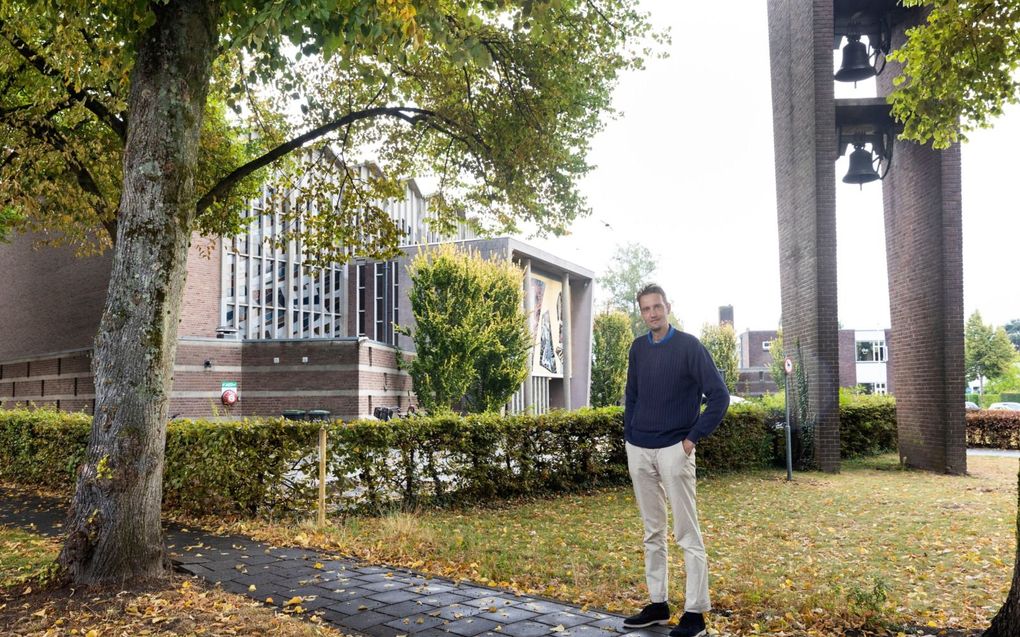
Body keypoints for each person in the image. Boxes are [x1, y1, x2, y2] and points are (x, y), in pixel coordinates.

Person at [621, 283, 729, 637]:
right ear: (641, 312)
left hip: (674, 450)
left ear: (668, 306)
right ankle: (658, 604)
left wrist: (692, 438)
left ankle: (695, 612)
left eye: (657, 307)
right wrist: (630, 434)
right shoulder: (638, 348)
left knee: (686, 533)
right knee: (652, 531)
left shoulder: (689, 347)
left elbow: (718, 396)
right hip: (639, 448)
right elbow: (632, 394)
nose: (652, 313)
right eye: (646, 309)